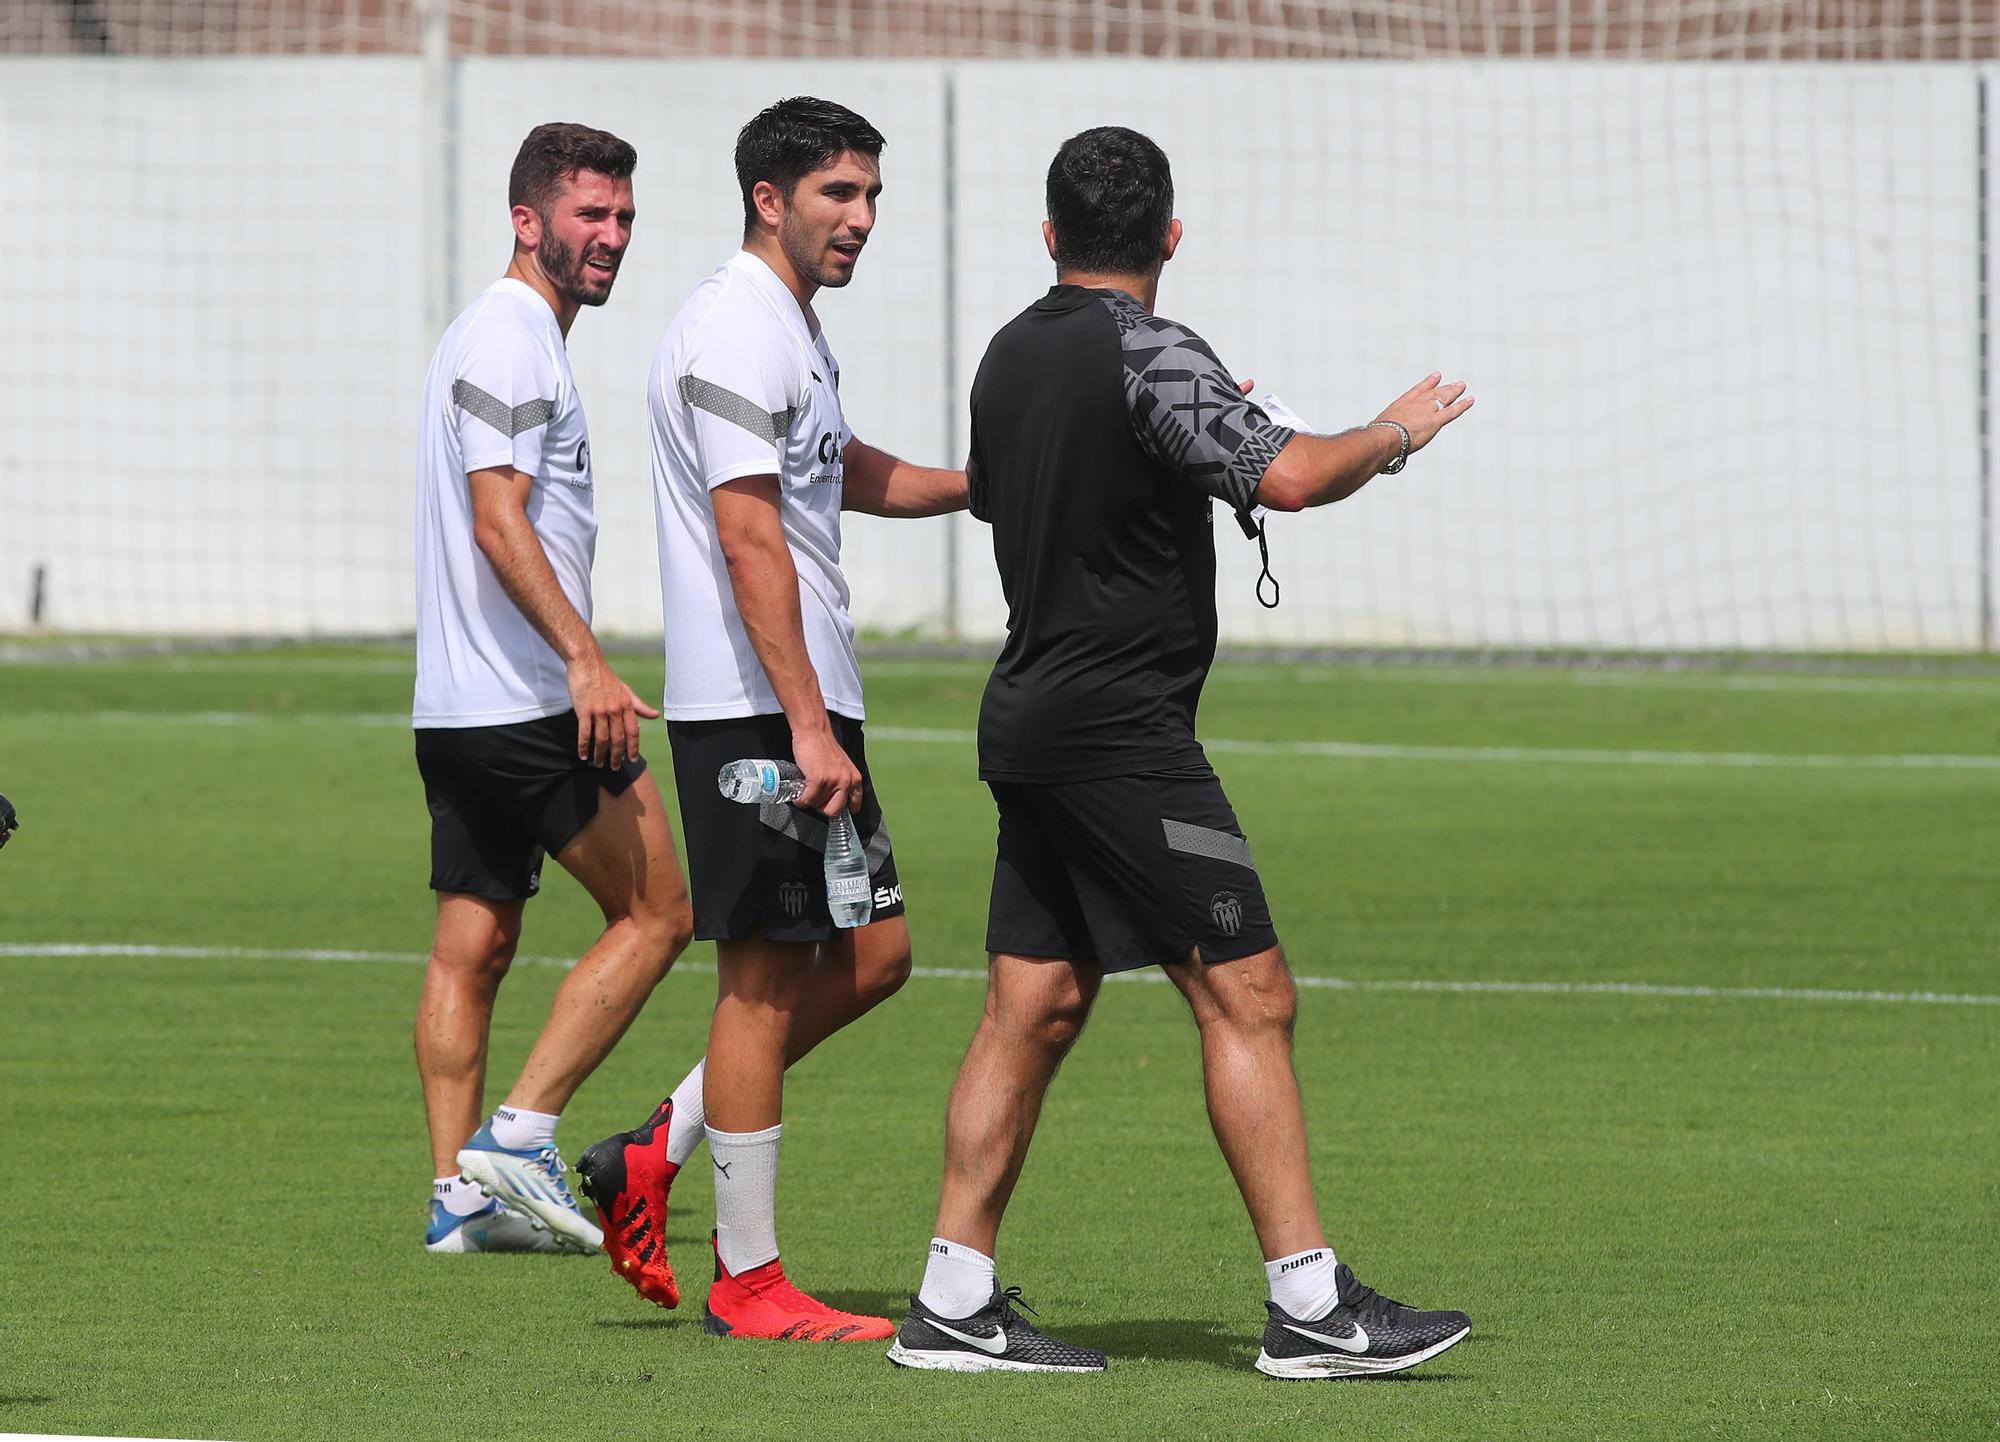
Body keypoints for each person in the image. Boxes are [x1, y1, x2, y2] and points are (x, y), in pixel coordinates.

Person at [885, 126, 1475, 1377]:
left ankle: (951, 1297)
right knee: (1248, 993)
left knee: (1031, 1001)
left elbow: (1017, 489)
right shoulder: (1152, 350)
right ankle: (1311, 1306)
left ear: (1049, 236)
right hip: (1122, 738)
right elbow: (1296, 479)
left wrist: (1186, 440)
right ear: (1168, 236)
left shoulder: (1008, 350)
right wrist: (1395, 428)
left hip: (1031, 717)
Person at [575, 97, 966, 1341]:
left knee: (876, 954)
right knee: (758, 981)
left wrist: (980, 487)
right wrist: (803, 726)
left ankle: (657, 1144)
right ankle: (748, 1281)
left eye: (870, 198)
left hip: (799, 703)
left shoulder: (788, 328)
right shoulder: (734, 326)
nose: (859, 220)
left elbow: (834, 467)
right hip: (756, 711)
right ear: (768, 199)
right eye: (838, 195)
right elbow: (750, 538)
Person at [411, 122, 692, 1256]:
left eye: (622, 216)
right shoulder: (513, 338)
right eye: (589, 215)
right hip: (528, 701)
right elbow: (496, 518)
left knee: (472, 947)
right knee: (664, 908)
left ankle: (457, 1200)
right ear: (527, 221)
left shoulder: (500, 337)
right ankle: (520, 1136)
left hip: (458, 704)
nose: (611, 237)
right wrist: (584, 658)